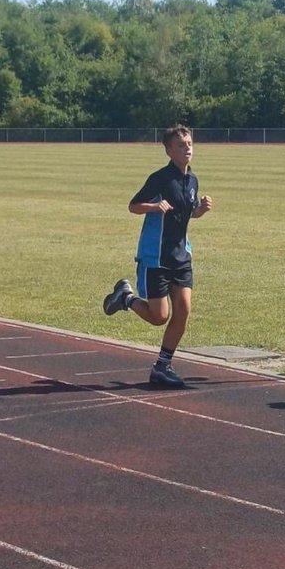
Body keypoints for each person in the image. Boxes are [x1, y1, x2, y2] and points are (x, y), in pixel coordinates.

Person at [102, 124, 213, 389]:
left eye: (189, 144)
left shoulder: (192, 180)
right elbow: (133, 206)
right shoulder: (160, 178)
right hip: (156, 256)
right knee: (159, 316)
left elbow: (185, 214)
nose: (187, 148)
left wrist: (201, 210)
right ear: (168, 150)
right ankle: (126, 298)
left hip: (181, 255)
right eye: (180, 145)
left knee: (184, 310)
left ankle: (162, 366)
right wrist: (154, 206)